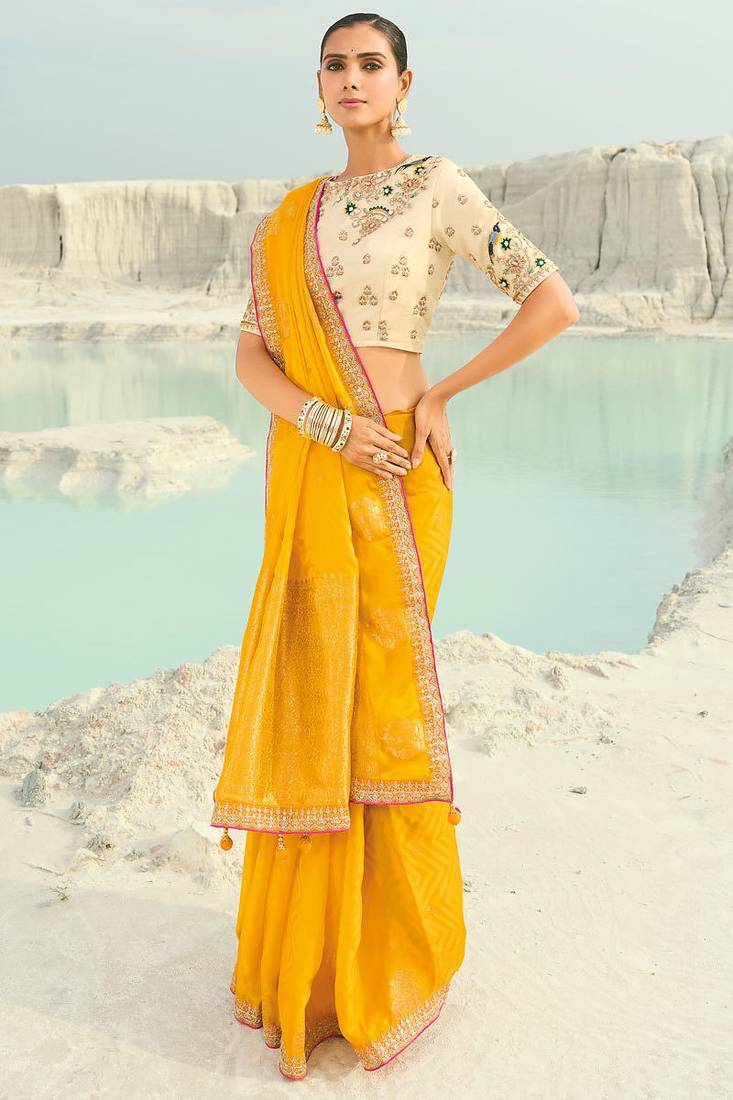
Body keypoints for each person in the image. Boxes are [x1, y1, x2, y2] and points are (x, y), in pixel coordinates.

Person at [211, 12, 579, 1082]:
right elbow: (251, 355)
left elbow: (551, 301)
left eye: (370, 64)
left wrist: (439, 395)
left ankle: (383, 953)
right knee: (316, 695)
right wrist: (326, 422)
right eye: (334, 65)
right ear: (318, 86)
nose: (351, 79)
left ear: (403, 83)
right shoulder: (290, 218)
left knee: (381, 705)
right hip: (320, 464)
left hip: (399, 483)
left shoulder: (436, 187)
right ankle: (312, 965)